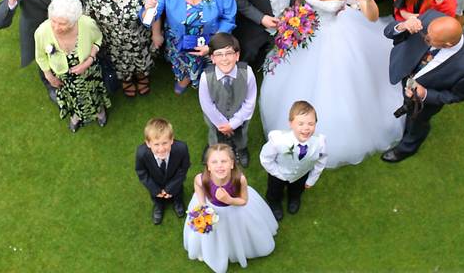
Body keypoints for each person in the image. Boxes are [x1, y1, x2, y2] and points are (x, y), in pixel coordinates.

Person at [259, 0, 405, 167]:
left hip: (335, 36)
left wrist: (366, 0)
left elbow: (372, 16)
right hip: (305, 32)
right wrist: (296, 18)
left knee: (335, 86)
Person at [382, 12, 464, 162]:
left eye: (429, 39)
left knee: (416, 123)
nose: (424, 37)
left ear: (447, 45)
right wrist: (403, 26)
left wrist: (425, 94)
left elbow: (457, 96)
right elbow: (390, 33)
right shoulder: (431, 19)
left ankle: (407, 147)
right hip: (403, 71)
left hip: (422, 103)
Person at [141, 0, 236, 92]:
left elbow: (229, 17)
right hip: (180, 40)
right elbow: (150, 17)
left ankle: (209, 79)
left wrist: (213, 46)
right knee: (182, 65)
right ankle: (184, 77)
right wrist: (148, 9)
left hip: (212, 38)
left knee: (212, 77)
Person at [182, 144, 277, 273]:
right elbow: (197, 186)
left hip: (235, 210)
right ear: (208, 166)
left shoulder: (239, 180)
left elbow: (243, 201)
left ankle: (238, 248)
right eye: (214, 162)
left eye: (224, 161)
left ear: (232, 164)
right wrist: (202, 204)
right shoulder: (202, 178)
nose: (219, 165)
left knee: (235, 233)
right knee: (215, 234)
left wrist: (229, 200)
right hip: (211, 209)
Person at [33, 0, 110, 132]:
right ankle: (76, 115)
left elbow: (98, 39)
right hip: (63, 75)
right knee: (72, 96)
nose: (56, 27)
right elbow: (40, 56)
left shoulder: (87, 24)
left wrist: (88, 61)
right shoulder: (42, 31)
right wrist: (49, 76)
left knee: (92, 93)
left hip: (88, 71)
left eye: (62, 23)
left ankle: (100, 112)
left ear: (74, 20)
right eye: (54, 21)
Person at [83, 0, 154, 96]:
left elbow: (152, 16)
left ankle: (141, 76)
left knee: (142, 63)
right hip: (112, 44)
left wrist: (148, 9)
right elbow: (88, 18)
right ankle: (126, 80)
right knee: (119, 67)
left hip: (138, 39)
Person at [260, 100, 327, 220]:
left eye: (311, 124)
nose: (306, 128)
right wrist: (277, 173)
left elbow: (321, 161)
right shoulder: (278, 140)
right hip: (278, 175)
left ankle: (294, 198)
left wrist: (311, 179)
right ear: (291, 123)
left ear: (316, 124)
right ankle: (274, 203)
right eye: (300, 124)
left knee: (297, 189)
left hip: (301, 174)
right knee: (274, 191)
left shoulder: (319, 143)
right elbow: (265, 158)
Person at [198, 34, 258, 166]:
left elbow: (250, 101)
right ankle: (212, 147)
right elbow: (206, 104)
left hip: (241, 116)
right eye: (219, 54)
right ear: (212, 58)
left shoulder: (247, 73)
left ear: (237, 56)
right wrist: (222, 124)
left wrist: (234, 123)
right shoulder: (205, 77)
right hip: (215, 118)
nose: (224, 59)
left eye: (229, 53)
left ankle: (241, 149)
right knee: (214, 132)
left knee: (241, 133)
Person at [135, 117, 191, 225]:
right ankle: (159, 206)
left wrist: (171, 187)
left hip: (175, 182)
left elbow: (183, 168)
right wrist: (156, 190)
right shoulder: (141, 153)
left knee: (178, 192)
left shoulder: (181, 148)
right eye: (156, 144)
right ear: (148, 143)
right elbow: (141, 172)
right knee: (156, 198)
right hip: (155, 183)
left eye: (165, 143)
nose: (161, 149)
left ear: (171, 140)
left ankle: (177, 202)